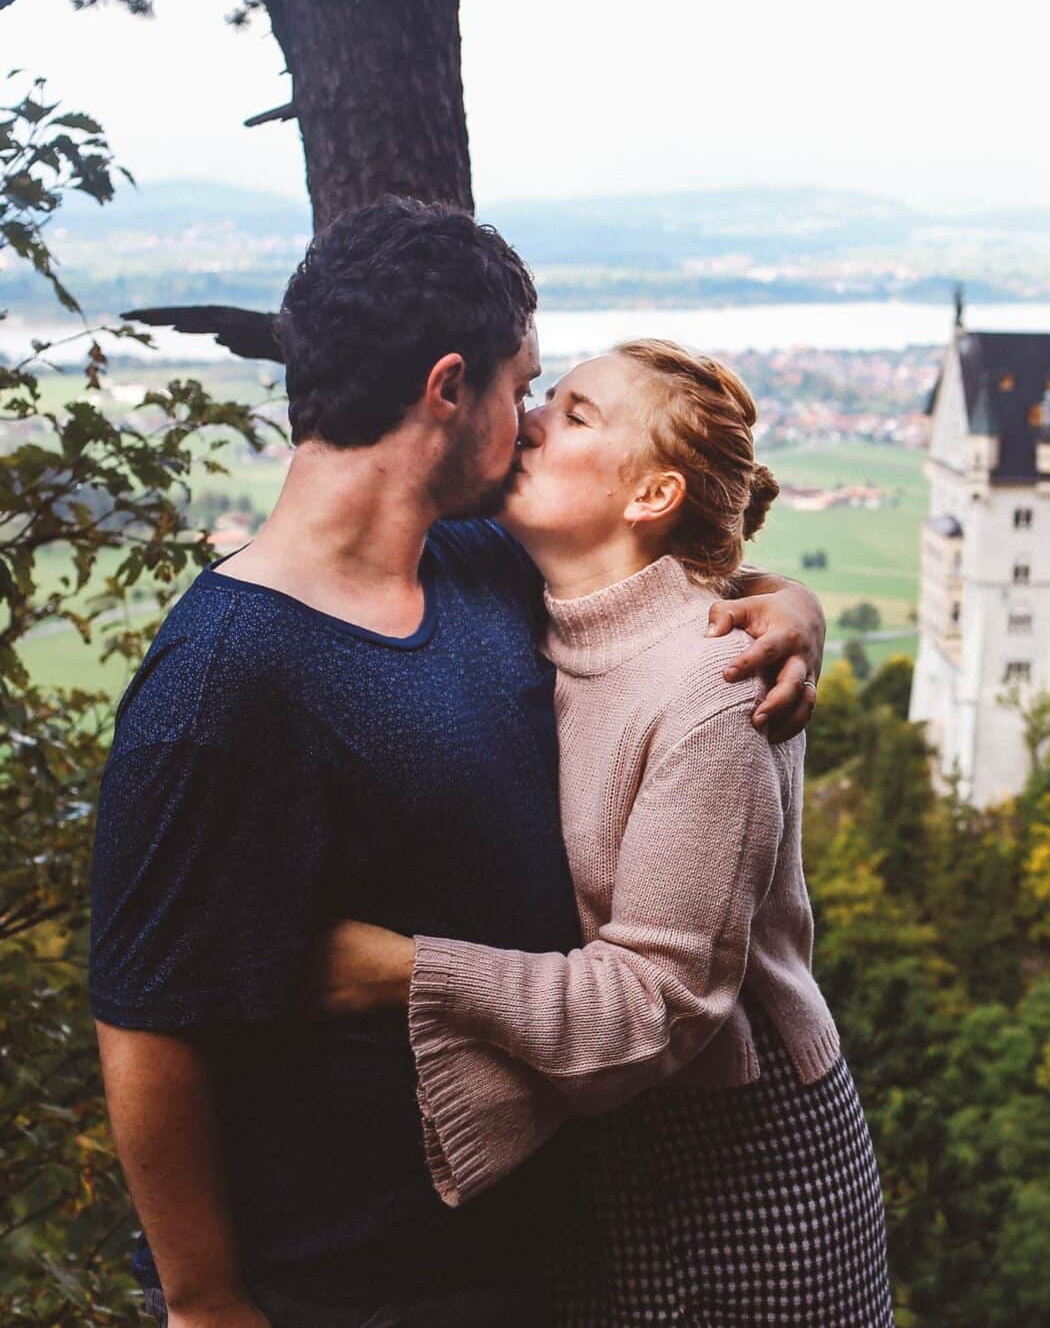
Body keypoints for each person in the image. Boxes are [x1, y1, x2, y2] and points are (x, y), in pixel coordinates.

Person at [89, 201, 825, 1328]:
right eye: (523, 384)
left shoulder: (482, 564)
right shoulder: (222, 683)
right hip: (354, 1279)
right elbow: (148, 1017)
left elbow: (661, 590)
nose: (530, 417)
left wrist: (792, 609)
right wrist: (203, 1300)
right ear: (447, 388)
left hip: (545, 1241)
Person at [313, 339, 892, 1326]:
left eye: (575, 414)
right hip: (609, 1156)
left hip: (747, 1176)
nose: (532, 419)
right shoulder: (530, 606)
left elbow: (657, 1004)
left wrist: (401, 970)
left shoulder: (708, 692)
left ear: (649, 497)